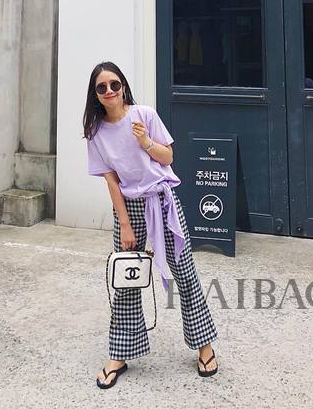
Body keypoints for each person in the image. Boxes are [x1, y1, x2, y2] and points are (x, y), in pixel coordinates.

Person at [83, 61, 219, 390]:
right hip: (128, 208)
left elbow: (168, 158)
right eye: (102, 87)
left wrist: (145, 141)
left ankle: (204, 346)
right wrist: (125, 224)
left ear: (123, 86)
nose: (109, 91)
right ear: (95, 94)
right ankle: (120, 354)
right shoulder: (95, 132)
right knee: (126, 279)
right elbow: (112, 181)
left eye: (114, 84)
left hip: (162, 202)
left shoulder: (143, 115)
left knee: (185, 273)